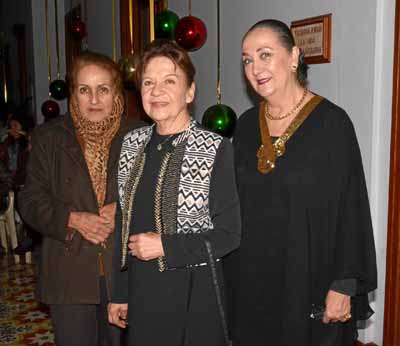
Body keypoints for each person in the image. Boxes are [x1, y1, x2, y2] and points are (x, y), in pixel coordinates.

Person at [223, 19, 377, 346]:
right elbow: (232, 202)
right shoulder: (247, 125)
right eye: (247, 60)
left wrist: (344, 285)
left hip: (308, 278)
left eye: (265, 55)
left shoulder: (332, 124)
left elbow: (352, 208)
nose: (255, 68)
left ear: (294, 56)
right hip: (251, 282)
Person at [108, 39, 241, 346]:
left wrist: (166, 246)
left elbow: (229, 235)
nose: (156, 91)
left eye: (170, 81)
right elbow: (123, 224)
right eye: (148, 82)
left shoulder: (214, 149)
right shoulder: (130, 145)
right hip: (143, 292)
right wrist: (120, 292)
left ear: (190, 91)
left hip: (195, 295)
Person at [18, 51, 142, 346]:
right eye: (84, 90)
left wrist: (122, 209)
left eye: (103, 89)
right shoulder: (49, 137)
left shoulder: (138, 136)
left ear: (116, 93)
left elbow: (154, 194)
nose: (94, 99)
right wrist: (72, 218)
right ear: (73, 94)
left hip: (124, 271)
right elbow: (30, 200)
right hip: (69, 270)